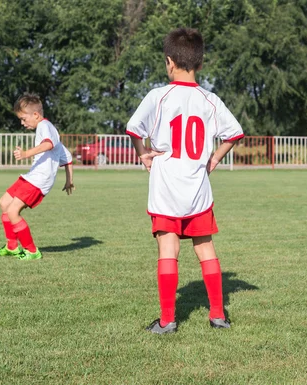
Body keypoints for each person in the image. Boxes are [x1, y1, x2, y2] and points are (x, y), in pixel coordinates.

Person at [126, 28, 244, 334]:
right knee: (205, 248)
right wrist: (214, 159)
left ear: (169, 62)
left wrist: (143, 154)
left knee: (168, 249)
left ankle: (167, 321)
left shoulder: (158, 95)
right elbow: (234, 133)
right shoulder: (210, 99)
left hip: (165, 187)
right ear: (200, 63)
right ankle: (218, 315)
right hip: (197, 188)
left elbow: (133, 128)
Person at [0, 93, 74, 260]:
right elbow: (67, 157)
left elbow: (48, 144)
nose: (22, 123)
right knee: (4, 202)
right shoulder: (49, 130)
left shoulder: (45, 126)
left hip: (39, 180)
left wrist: (25, 154)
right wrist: (69, 180)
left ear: (36, 115)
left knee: (13, 211)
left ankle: (31, 251)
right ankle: (12, 246)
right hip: (31, 176)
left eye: (24, 119)